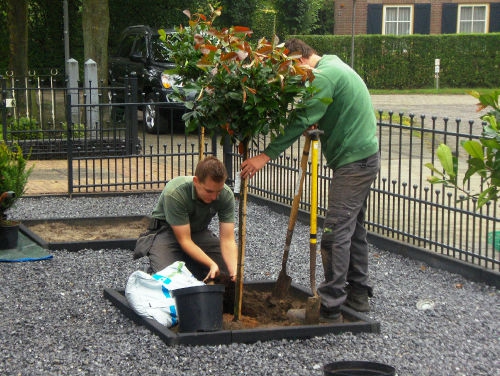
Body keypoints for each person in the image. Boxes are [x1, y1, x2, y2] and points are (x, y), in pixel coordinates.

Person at [241, 38, 380, 322]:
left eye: (291, 70)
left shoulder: (323, 75)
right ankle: (358, 296)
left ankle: (329, 306)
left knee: (333, 234)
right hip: (363, 157)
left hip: (355, 162)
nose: (292, 77)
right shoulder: (332, 64)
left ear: (301, 59)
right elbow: (326, 108)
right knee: (353, 231)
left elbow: (300, 119)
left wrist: (264, 156)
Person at [134, 156, 238, 284]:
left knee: (226, 273)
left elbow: (228, 239)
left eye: (218, 191)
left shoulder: (226, 195)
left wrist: (234, 271)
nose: (214, 197)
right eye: (209, 191)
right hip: (167, 232)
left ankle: (194, 267)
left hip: (198, 232)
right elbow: (185, 240)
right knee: (171, 280)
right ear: (196, 181)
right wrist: (211, 263)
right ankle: (154, 270)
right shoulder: (175, 192)